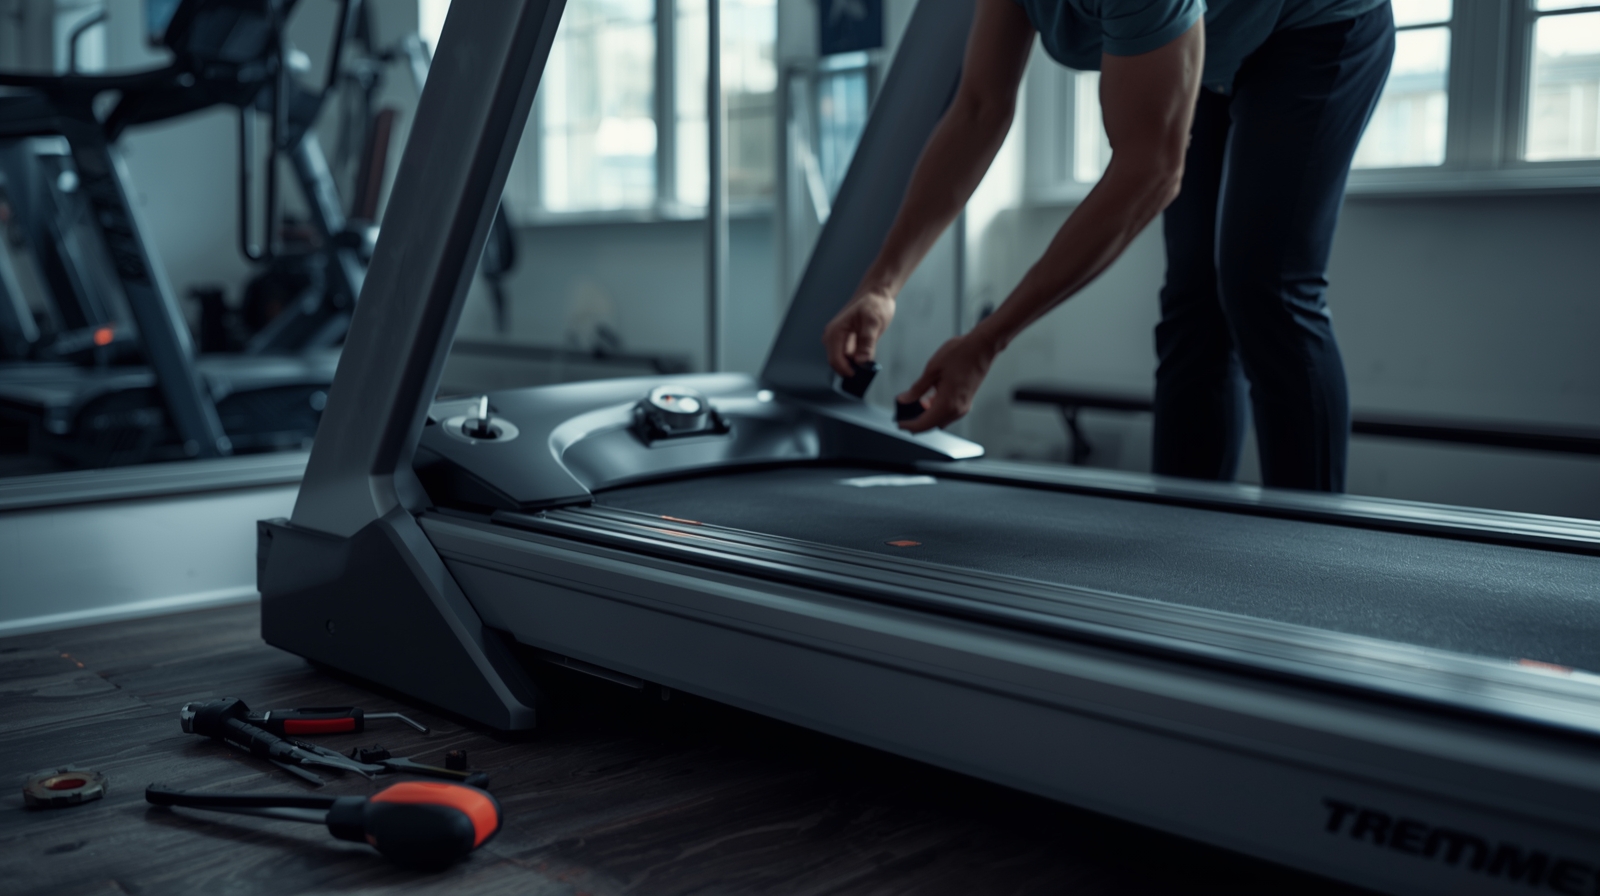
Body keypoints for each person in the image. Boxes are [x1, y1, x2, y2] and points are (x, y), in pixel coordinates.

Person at [823, 0, 1395, 492]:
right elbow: (978, 109)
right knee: (1193, 300)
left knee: (1262, 289)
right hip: (1214, 38)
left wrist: (988, 341)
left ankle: (1312, 545)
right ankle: (1180, 535)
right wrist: (882, 285)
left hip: (1318, 25)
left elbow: (1150, 171)